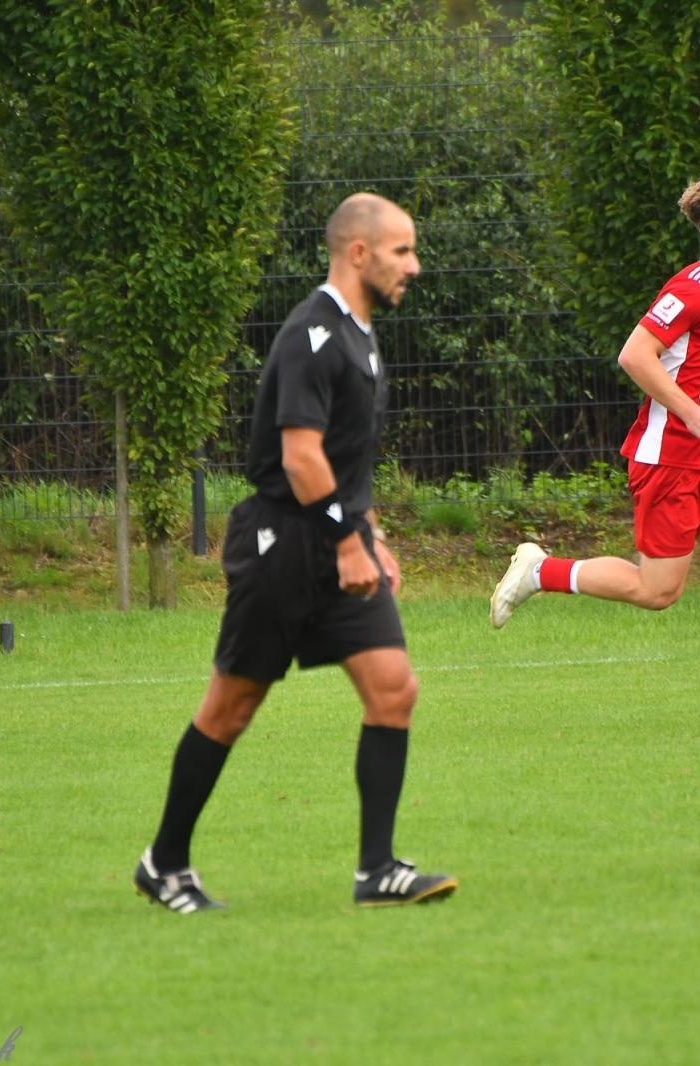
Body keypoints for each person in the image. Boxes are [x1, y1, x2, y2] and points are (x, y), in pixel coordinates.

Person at [133, 193, 457, 912]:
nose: (415, 265)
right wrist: (349, 540)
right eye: (403, 251)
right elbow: (302, 457)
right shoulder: (310, 334)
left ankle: (377, 871)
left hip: (341, 543)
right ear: (359, 253)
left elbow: (346, 460)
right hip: (283, 545)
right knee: (231, 707)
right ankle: (164, 863)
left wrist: (373, 536)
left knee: (394, 689)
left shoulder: (361, 335)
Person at [490, 167, 700, 729]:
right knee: (657, 590)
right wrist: (691, 412)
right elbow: (634, 355)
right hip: (667, 461)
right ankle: (541, 571)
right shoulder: (688, 289)